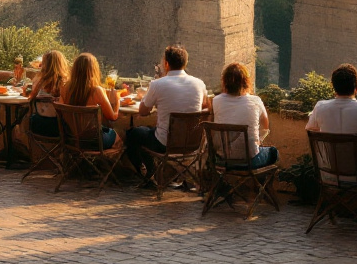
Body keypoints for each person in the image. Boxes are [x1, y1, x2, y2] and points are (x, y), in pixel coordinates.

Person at [127, 45, 211, 181]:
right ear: (185, 63)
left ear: (166, 64)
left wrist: (147, 95)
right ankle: (162, 174)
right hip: (192, 143)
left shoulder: (158, 84)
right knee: (150, 131)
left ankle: (148, 171)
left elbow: (143, 111)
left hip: (164, 143)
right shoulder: (199, 84)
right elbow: (206, 107)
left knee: (133, 134)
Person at [209, 62, 277, 169]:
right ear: (246, 82)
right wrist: (257, 141)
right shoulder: (256, 101)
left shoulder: (215, 101)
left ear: (224, 81)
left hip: (223, 159)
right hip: (250, 161)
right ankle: (260, 180)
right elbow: (265, 127)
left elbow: (212, 128)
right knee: (273, 152)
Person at [59, 53, 120, 149]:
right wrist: (117, 101)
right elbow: (112, 117)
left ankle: (82, 158)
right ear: (93, 70)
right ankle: (112, 158)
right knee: (120, 135)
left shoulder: (65, 88)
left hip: (72, 139)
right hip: (94, 141)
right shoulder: (96, 91)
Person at [25, 50, 68, 138]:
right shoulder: (65, 84)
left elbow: (30, 97)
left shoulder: (39, 83)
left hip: (38, 125)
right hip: (58, 128)